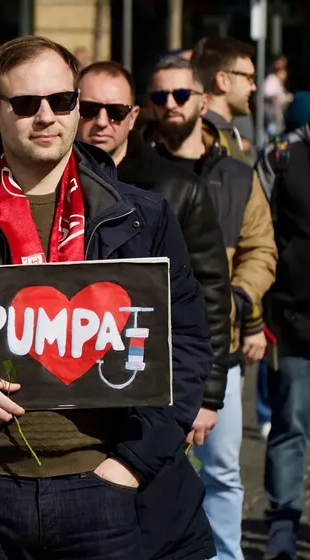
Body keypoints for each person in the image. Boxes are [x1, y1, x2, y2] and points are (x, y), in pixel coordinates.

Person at [0, 35, 214, 560]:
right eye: (26, 104)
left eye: (63, 101)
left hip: (107, 487)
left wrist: (132, 466)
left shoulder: (143, 216)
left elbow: (185, 341)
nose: (46, 117)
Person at [150, 55, 277, 560]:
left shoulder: (236, 176)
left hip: (216, 346)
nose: (171, 105)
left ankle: (226, 555)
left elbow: (261, 248)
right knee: (153, 465)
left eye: (181, 94)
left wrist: (240, 301)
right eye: (160, 97)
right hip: (150, 346)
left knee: (223, 469)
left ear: (203, 100)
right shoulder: (137, 171)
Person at [75, 61, 232, 449]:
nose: (101, 122)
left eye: (114, 112)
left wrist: (207, 395)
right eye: (89, 109)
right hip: (69, 379)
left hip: (149, 380)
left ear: (132, 117)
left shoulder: (178, 189)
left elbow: (209, 292)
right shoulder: (46, 185)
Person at [255, 90, 310, 560]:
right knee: (290, 423)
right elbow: (258, 234)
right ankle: (284, 526)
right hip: (293, 319)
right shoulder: (283, 156)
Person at [191, 36, 257, 164]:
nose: (253, 87)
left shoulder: (220, 135)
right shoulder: (207, 142)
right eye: (249, 78)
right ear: (223, 80)